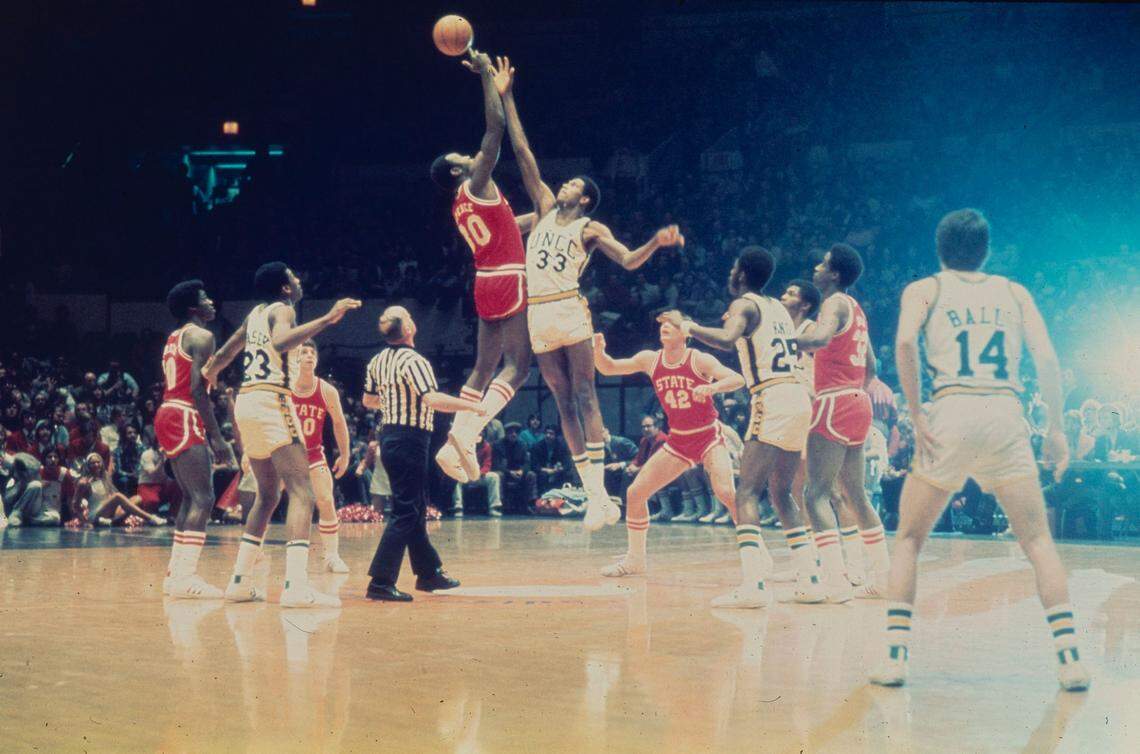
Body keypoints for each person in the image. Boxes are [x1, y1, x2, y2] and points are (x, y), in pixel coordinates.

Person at [870, 208, 1089, 691]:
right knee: (1037, 541)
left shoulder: (925, 288)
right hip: (1005, 413)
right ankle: (1070, 658)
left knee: (908, 539)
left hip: (951, 408)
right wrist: (1056, 428)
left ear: (939, 248)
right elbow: (1048, 359)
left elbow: (905, 342)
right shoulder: (1014, 292)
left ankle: (895, 657)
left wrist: (916, 410)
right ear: (987, 250)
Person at [494, 55, 684, 530]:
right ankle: (595, 495)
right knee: (560, 401)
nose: (564, 183)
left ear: (583, 198)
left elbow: (628, 260)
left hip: (568, 309)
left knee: (584, 392)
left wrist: (655, 244)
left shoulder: (590, 227)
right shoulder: (540, 208)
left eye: (573, 183)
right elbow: (522, 152)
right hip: (537, 311)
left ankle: (600, 492)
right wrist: (506, 95)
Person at [663, 246, 824, 607]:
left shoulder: (745, 305)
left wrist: (686, 325)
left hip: (772, 396)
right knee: (782, 493)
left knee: (747, 492)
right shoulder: (776, 307)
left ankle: (753, 587)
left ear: (740, 273)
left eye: (733, 266)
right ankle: (811, 578)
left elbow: (725, 339)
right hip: (797, 398)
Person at [203, 262, 360, 608]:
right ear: (286, 288)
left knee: (268, 495)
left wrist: (209, 373)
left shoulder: (254, 314)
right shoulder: (284, 309)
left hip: (247, 401)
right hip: (273, 398)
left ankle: (239, 582)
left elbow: (225, 354)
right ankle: (295, 586)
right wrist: (328, 319)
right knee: (303, 493)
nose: (299, 279)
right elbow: (281, 341)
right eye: (294, 276)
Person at [430, 50, 533, 484]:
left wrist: (545, 222)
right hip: (509, 277)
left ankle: (455, 440)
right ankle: (470, 431)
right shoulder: (477, 181)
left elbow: (511, 226)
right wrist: (487, 78)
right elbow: (496, 127)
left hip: (485, 281)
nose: (472, 155)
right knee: (519, 366)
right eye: (463, 155)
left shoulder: (460, 204)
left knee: (482, 367)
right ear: (457, 169)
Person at [592, 317, 744, 592]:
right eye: (662, 323)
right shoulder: (650, 359)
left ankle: (755, 558)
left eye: (672, 323)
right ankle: (635, 560)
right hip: (679, 440)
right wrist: (598, 352)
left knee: (726, 493)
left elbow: (737, 378)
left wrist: (713, 387)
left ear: (685, 332)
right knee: (636, 493)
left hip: (709, 436)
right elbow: (608, 368)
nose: (664, 326)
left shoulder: (699, 359)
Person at [361, 306, 483, 602]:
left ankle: (429, 573)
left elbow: (368, 400)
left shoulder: (377, 361)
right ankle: (380, 581)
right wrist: (471, 407)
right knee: (406, 510)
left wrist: (394, 404)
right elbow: (431, 399)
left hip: (390, 436)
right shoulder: (414, 361)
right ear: (409, 328)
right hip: (409, 438)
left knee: (413, 506)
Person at [796, 244, 890, 600]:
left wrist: (783, 338)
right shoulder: (857, 308)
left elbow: (818, 339)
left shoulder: (833, 303)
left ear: (834, 274)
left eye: (822, 263)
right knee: (855, 494)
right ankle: (882, 578)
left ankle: (835, 582)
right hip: (858, 401)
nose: (816, 267)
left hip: (834, 400)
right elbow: (873, 366)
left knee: (815, 493)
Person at [155, 280, 236, 599]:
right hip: (184, 413)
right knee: (204, 498)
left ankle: (175, 575)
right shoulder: (202, 336)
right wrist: (217, 436)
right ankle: (186, 578)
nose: (211, 301)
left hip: (167, 412)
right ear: (193, 309)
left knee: (190, 497)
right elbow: (198, 389)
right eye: (205, 298)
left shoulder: (174, 337)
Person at [291, 340, 352, 573]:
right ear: (294, 359)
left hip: (313, 454)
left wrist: (345, 455)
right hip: (285, 454)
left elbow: (339, 423)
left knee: (326, 501)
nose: (308, 356)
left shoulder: (326, 390)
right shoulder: (285, 388)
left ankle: (332, 556)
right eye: (303, 352)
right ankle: (256, 552)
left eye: (311, 352)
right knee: (267, 500)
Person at [71, 453, 165, 526]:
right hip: (95, 514)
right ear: (88, 465)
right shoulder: (84, 482)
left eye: (98, 462)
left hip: (108, 511)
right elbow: (75, 505)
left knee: (137, 498)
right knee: (118, 497)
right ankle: (150, 518)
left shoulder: (104, 477)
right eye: (93, 463)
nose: (96, 464)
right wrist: (85, 522)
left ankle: (110, 521)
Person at [451, 431, 502, 517]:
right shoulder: (463, 446)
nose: (478, 436)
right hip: (466, 476)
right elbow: (460, 462)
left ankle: (494, 507)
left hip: (480, 476)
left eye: (480, 434)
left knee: (494, 477)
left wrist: (481, 473)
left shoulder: (487, 446)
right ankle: (458, 507)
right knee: (455, 478)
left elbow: (487, 463)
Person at [496, 422, 537, 513]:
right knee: (499, 475)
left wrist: (522, 471)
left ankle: (531, 503)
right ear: (506, 434)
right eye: (511, 432)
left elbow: (527, 462)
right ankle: (500, 504)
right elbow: (496, 465)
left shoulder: (522, 445)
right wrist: (510, 472)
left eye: (515, 432)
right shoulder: (498, 445)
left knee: (531, 475)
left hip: (519, 473)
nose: (513, 434)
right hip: (505, 473)